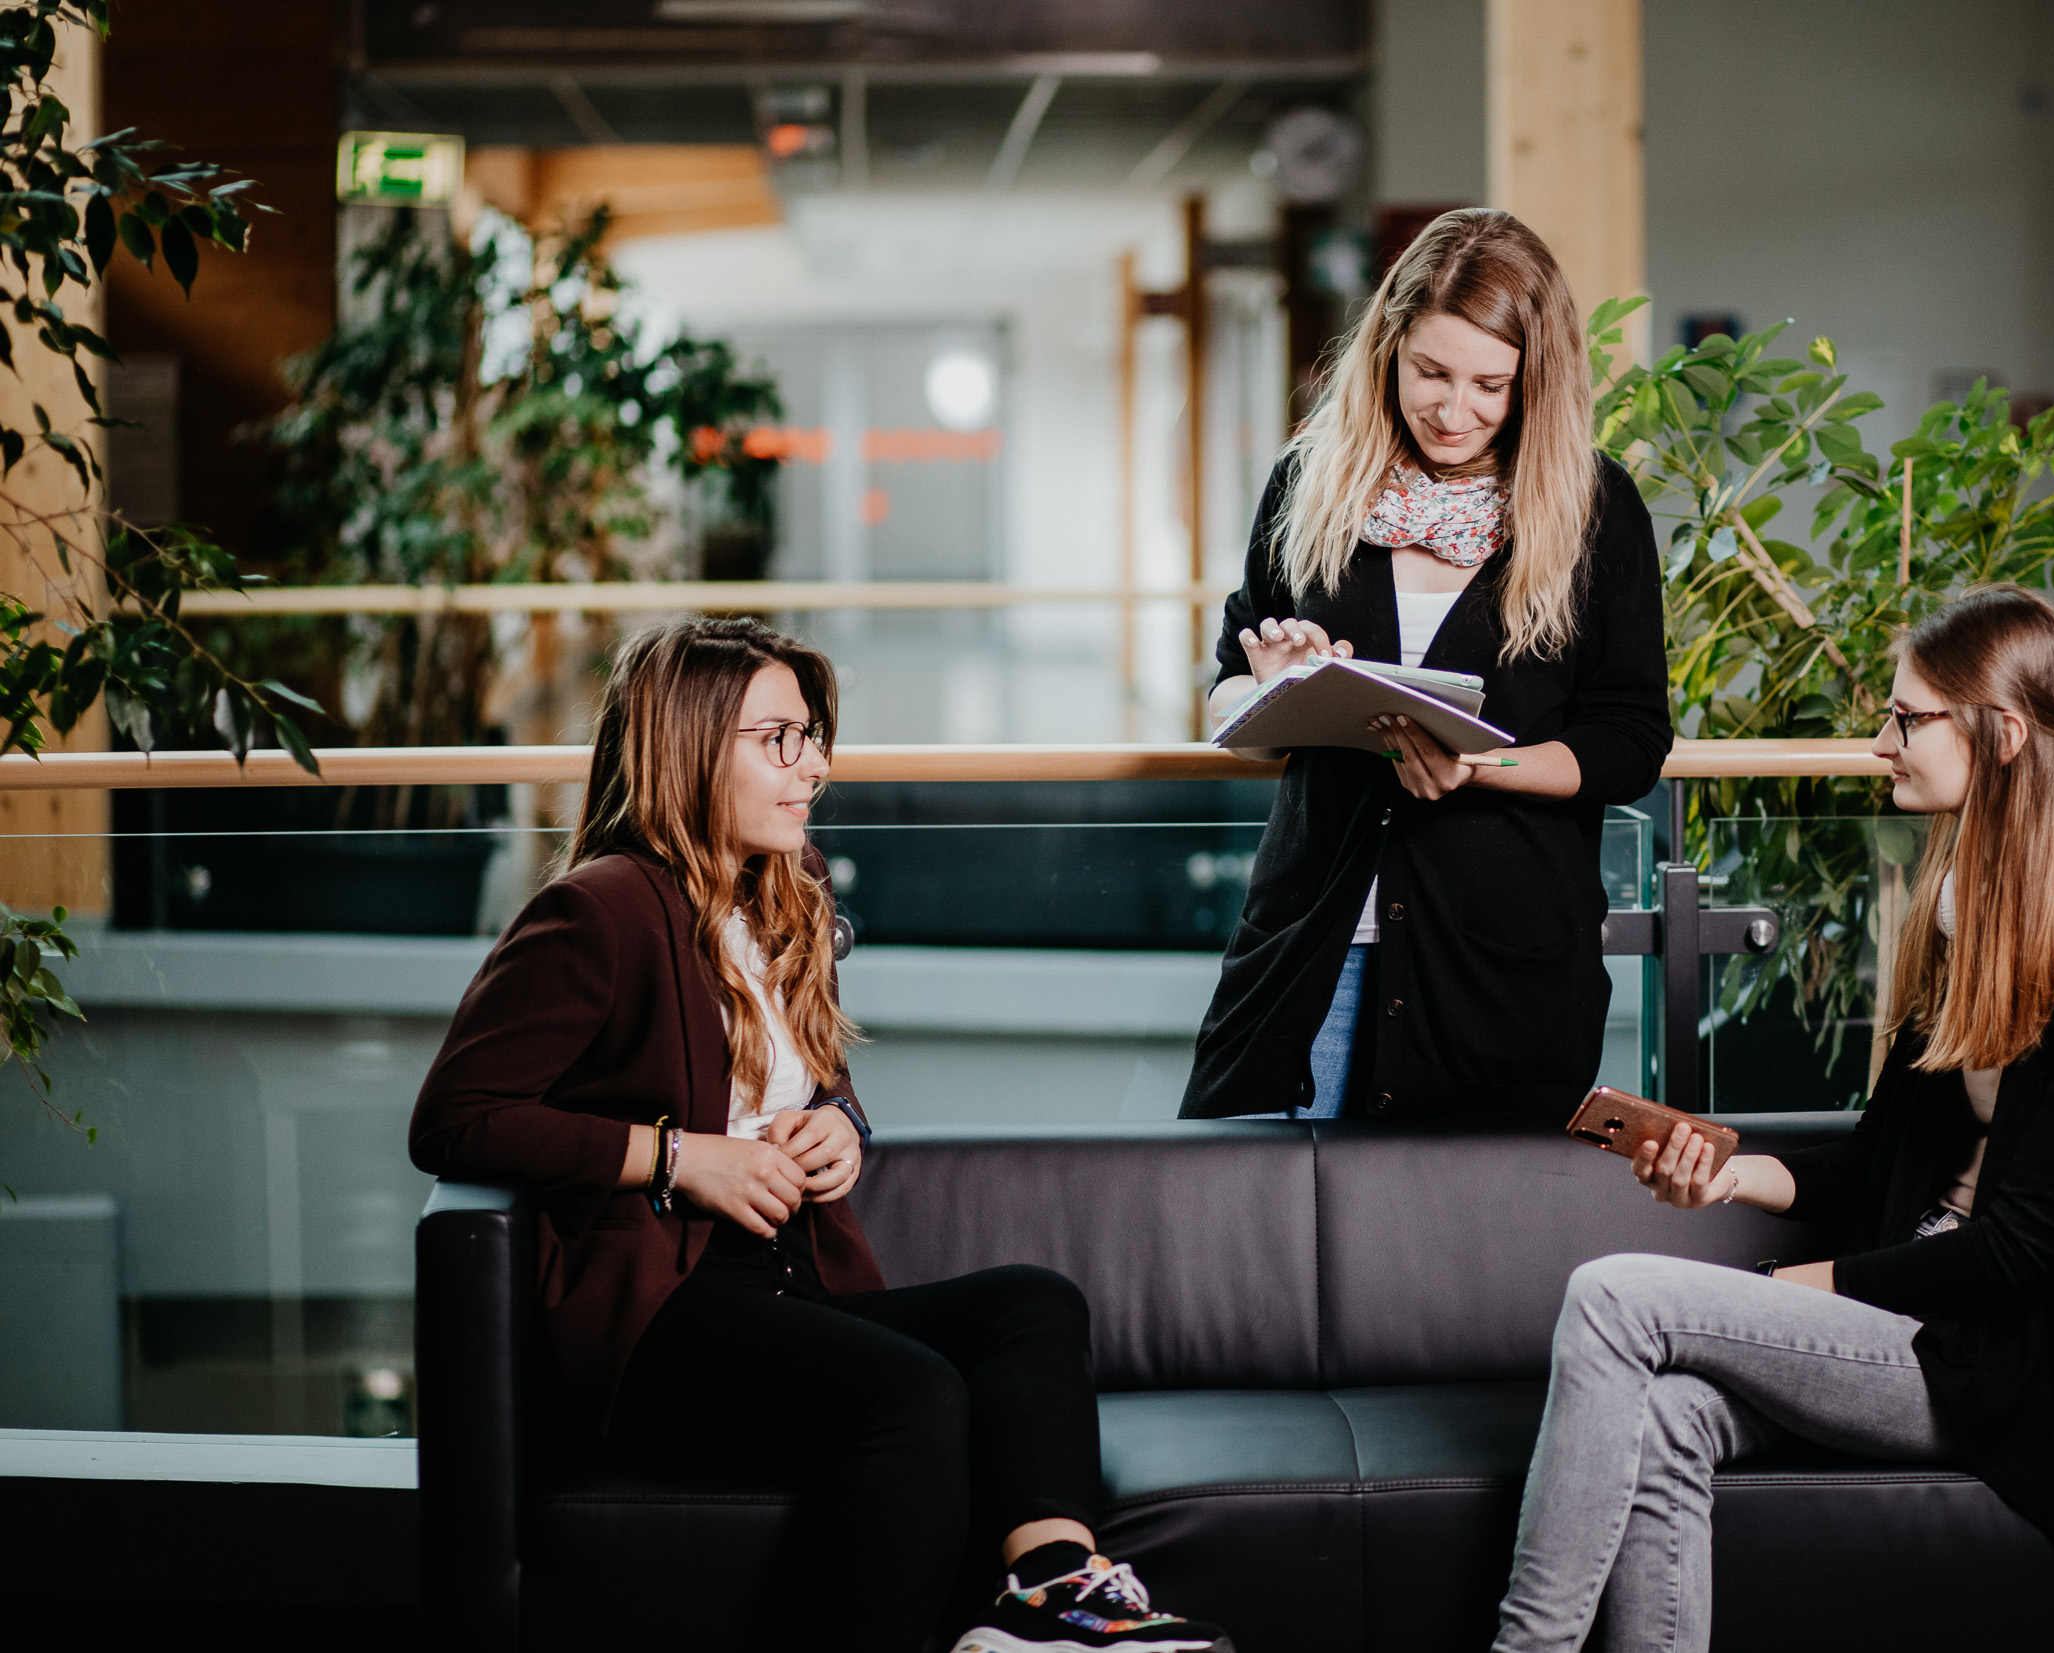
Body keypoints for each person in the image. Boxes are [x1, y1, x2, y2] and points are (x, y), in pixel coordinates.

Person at [408, 618, 1232, 1653]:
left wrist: (840, 1126)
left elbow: (809, 1080)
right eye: (780, 740)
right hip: (662, 1320)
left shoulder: (784, 894)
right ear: (689, 747)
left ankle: (1052, 1591)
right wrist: (680, 1157)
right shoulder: (600, 910)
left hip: (785, 1282)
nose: (817, 767)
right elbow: (457, 1119)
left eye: (813, 737)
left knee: (1032, 1305)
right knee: (914, 1396)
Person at [1487, 585, 2054, 1652]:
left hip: (2002, 1368)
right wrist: (1727, 1172)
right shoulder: (1968, 902)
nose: (1882, 743)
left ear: (2003, 734)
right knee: (1662, 1418)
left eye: (1907, 718)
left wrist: (1792, 1293)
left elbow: (2017, 1253)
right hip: (1911, 1324)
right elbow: (1884, 1160)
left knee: (1614, 1297)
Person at [1179, 208, 1673, 1123]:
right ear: (1389, 352)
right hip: (1306, 952)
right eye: (1431, 373)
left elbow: (1630, 738)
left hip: (1501, 965)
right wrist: (1272, 692)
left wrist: (1479, 766)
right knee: (1260, 1239)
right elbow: (1225, 700)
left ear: (1537, 379)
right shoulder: (1310, 483)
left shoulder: (1598, 509)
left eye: (1491, 384)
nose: (1455, 411)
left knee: (1464, 1250)